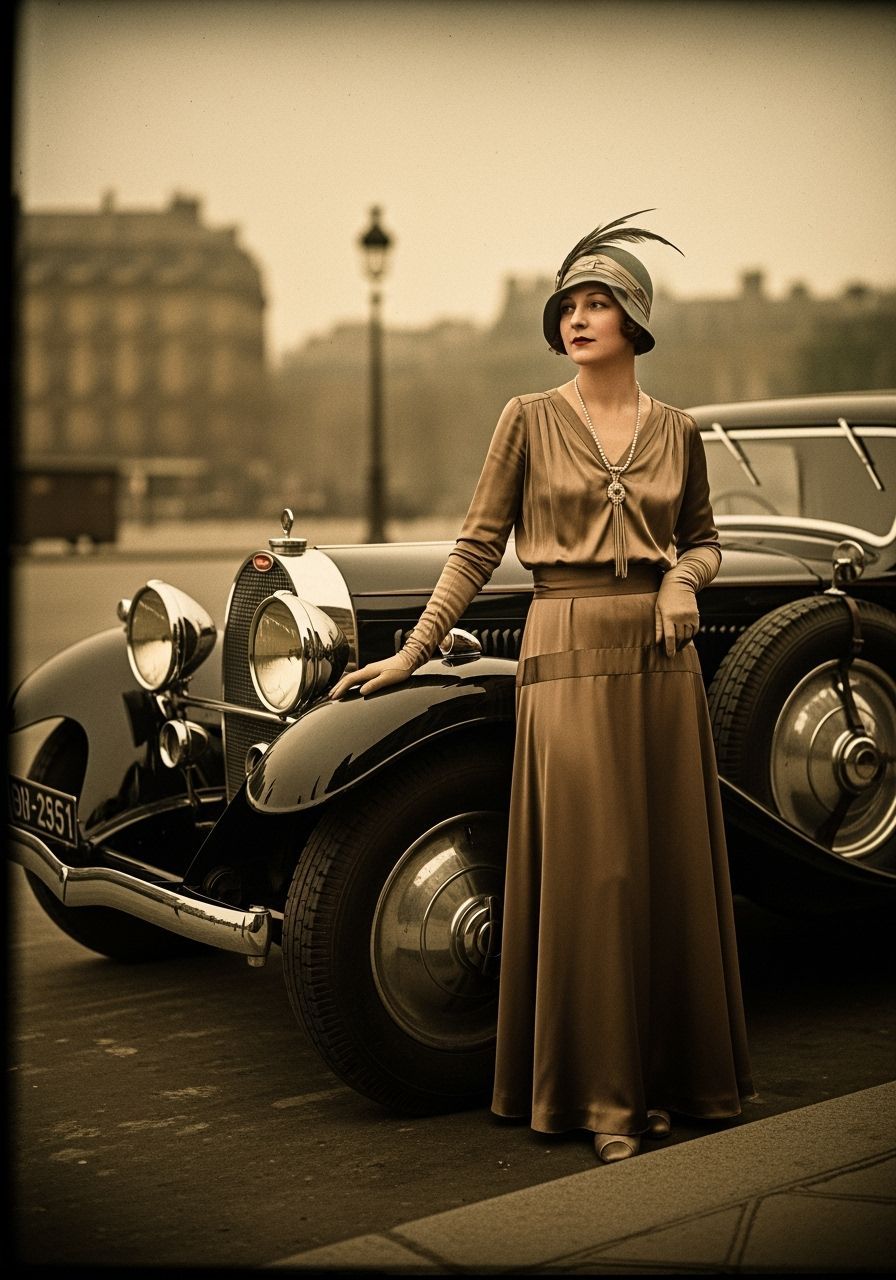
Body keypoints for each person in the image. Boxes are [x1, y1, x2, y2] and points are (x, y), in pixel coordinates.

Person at [329, 211, 755, 1164]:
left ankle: (683, 1081)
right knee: (594, 875)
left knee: (665, 872)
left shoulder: (680, 431)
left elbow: (705, 539)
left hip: (660, 661)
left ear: (635, 321)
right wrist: (411, 651)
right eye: (568, 305)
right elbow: (479, 545)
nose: (578, 318)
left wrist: (684, 580)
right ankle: (602, 1097)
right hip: (562, 651)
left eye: (598, 303)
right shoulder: (525, 418)